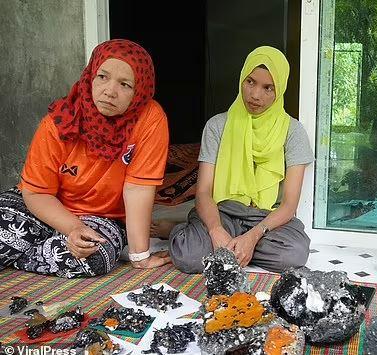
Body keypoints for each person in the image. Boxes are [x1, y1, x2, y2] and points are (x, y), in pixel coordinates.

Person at [0, 39, 171, 278]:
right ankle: (40, 245)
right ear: (90, 75)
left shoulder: (150, 119)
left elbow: (138, 189)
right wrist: (72, 227)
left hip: (104, 217)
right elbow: (37, 193)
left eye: (125, 84)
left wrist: (139, 255)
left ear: (139, 90)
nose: (110, 91)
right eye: (102, 77)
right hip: (48, 205)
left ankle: (21, 249)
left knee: (95, 256)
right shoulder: (59, 122)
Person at [164, 46, 314, 273]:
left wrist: (253, 237)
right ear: (242, 79)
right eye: (250, 82)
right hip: (222, 211)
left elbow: (289, 205)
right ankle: (206, 238)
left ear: (279, 90)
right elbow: (204, 192)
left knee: (294, 254)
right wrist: (215, 229)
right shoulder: (218, 125)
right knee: (189, 256)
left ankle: (231, 248)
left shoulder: (293, 131)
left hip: (265, 219)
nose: (255, 95)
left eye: (268, 88)